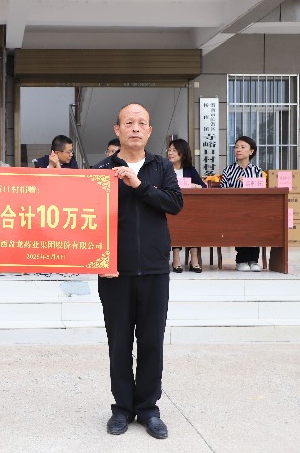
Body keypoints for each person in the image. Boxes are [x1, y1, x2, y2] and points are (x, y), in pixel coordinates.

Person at [93, 103, 183, 440]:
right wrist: (100, 262)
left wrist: (139, 184)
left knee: (151, 342)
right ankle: (121, 408)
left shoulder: (161, 167)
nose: (135, 128)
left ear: (149, 130)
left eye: (141, 123)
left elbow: (174, 204)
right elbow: (91, 222)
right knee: (119, 343)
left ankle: (148, 409)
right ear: (117, 129)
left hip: (155, 269)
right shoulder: (101, 171)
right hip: (114, 272)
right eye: (128, 123)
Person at [220, 135, 264, 272]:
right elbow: (223, 191)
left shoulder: (257, 171)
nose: (238, 150)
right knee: (241, 221)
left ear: (251, 151)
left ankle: (253, 260)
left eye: (243, 147)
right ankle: (241, 260)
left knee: (255, 221)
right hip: (234, 209)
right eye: (236, 147)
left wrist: (248, 182)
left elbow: (261, 191)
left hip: (253, 208)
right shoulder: (228, 170)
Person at [167, 138, 206, 273]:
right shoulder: (165, 168)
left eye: (174, 150)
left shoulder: (190, 170)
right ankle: (176, 258)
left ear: (182, 153)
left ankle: (194, 259)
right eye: (169, 150)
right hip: (171, 208)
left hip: (190, 208)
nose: (170, 153)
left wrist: (192, 185)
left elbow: (203, 187)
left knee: (193, 223)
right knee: (176, 222)